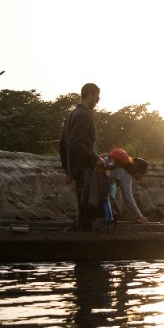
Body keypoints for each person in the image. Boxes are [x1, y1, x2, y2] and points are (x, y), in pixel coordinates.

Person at [59, 82, 105, 231]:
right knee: (88, 207)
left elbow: (63, 145)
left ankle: (78, 237)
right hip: (85, 168)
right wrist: (95, 158)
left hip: (78, 169)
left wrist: (69, 171)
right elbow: (75, 143)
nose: (97, 102)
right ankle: (82, 241)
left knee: (85, 207)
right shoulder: (84, 116)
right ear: (90, 96)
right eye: (97, 99)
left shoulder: (72, 114)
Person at [103, 148, 150, 223]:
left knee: (111, 203)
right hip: (99, 177)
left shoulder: (122, 170)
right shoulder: (127, 175)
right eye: (143, 174)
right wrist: (139, 216)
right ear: (138, 172)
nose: (142, 177)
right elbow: (128, 197)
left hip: (101, 177)